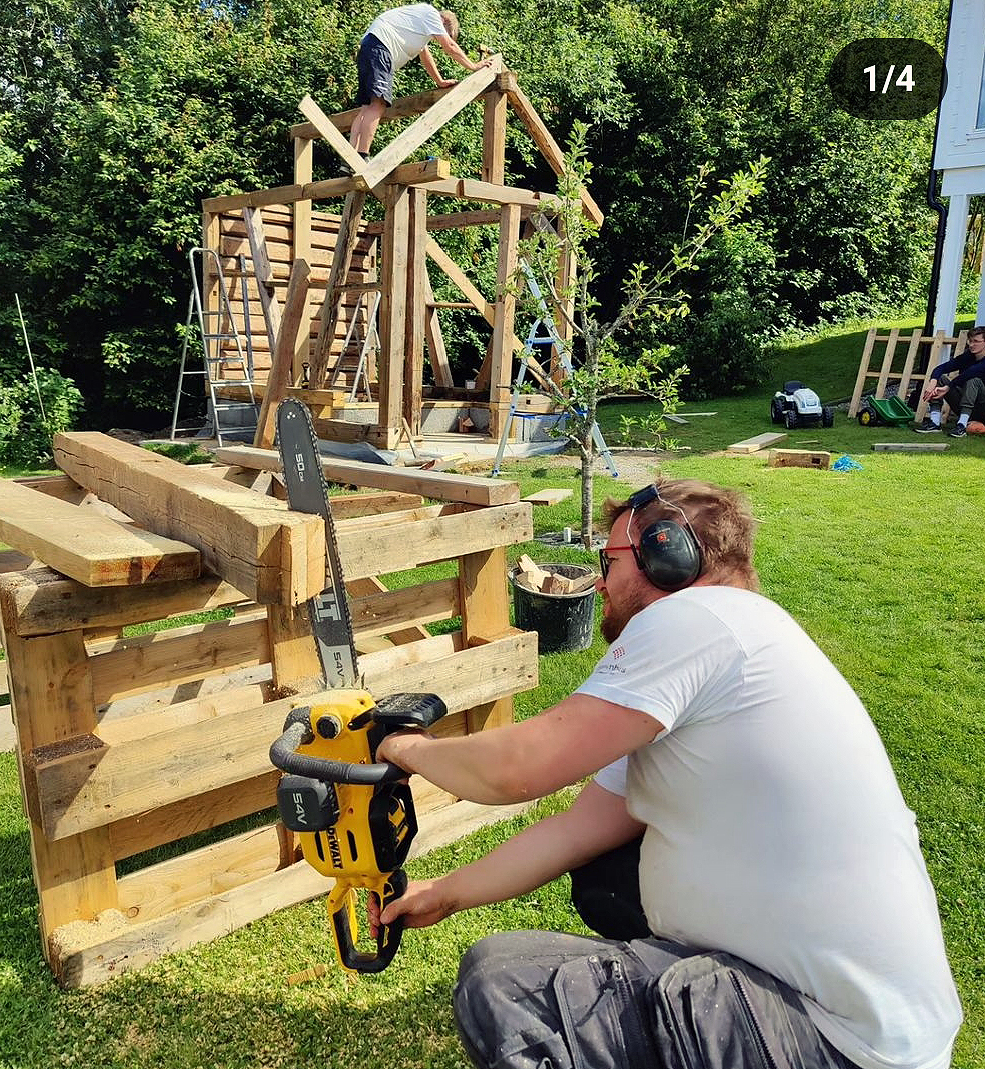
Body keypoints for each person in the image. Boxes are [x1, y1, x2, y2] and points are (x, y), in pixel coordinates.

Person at [372, 479, 963, 1069]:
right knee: (608, 873)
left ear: (667, 555)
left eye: (610, 561)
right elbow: (578, 830)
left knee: (503, 984)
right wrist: (444, 893)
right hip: (868, 1024)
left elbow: (514, 772)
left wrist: (402, 747)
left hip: (838, 1042)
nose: (600, 583)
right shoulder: (739, 635)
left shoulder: (695, 620)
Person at [347, 4, 493, 166]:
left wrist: (439, 81)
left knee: (367, 108)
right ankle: (362, 156)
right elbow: (449, 46)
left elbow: (425, 57)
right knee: (378, 105)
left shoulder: (419, 24)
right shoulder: (431, 14)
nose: (438, 39)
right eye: (447, 34)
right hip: (381, 48)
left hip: (369, 48)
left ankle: (349, 159)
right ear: (445, 22)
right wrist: (473, 66)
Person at [915, 325, 985, 437]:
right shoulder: (968, 356)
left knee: (973, 380)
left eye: (976, 341)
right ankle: (935, 422)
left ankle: (962, 425)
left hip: (982, 407)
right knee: (940, 378)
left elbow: (970, 372)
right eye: (970, 341)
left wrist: (948, 387)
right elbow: (941, 368)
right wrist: (933, 381)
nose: (971, 345)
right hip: (964, 404)